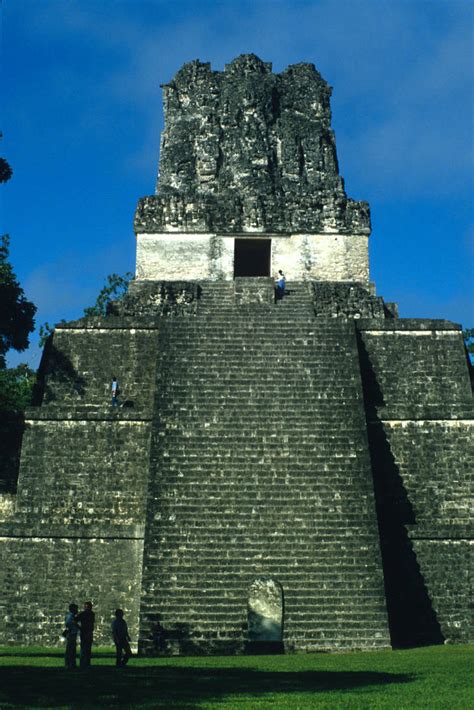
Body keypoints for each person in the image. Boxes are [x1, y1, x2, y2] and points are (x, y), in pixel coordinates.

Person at [77, 601, 95, 668]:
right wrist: (80, 628)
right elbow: (74, 620)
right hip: (84, 632)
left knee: (88, 648)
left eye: (88, 607)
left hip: (89, 632)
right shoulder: (82, 614)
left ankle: (87, 663)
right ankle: (82, 663)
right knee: (84, 649)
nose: (87, 608)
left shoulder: (92, 614)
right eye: (86, 607)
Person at [64, 603, 79, 669]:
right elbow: (68, 623)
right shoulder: (71, 616)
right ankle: (69, 664)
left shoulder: (71, 616)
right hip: (71, 634)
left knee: (72, 650)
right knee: (70, 650)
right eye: (76, 609)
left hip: (72, 634)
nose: (77, 610)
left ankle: (71, 664)